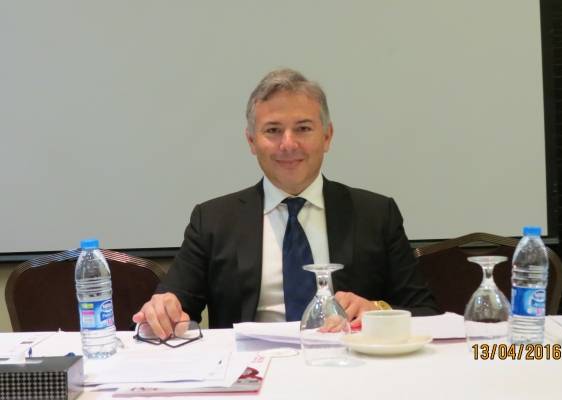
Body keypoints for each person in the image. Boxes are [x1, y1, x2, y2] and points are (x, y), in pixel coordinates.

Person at [132, 68, 439, 338]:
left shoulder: (376, 213)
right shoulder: (213, 220)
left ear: (327, 136)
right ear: (252, 141)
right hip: (251, 370)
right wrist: (163, 310)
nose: (288, 144)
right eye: (273, 131)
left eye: (303, 128)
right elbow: (174, 305)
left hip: (347, 365)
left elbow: (426, 313)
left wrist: (377, 310)